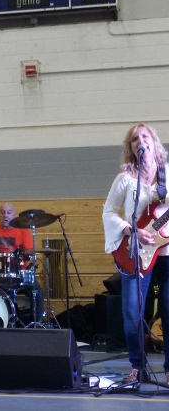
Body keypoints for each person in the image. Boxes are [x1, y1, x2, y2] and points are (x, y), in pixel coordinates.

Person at [102, 123, 169, 384]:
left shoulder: (167, 173)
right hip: (136, 251)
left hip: (167, 252)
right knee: (131, 312)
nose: (140, 141)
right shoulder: (125, 179)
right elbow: (108, 212)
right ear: (131, 147)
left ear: (154, 141)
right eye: (134, 139)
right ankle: (137, 366)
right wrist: (131, 230)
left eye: (144, 136)